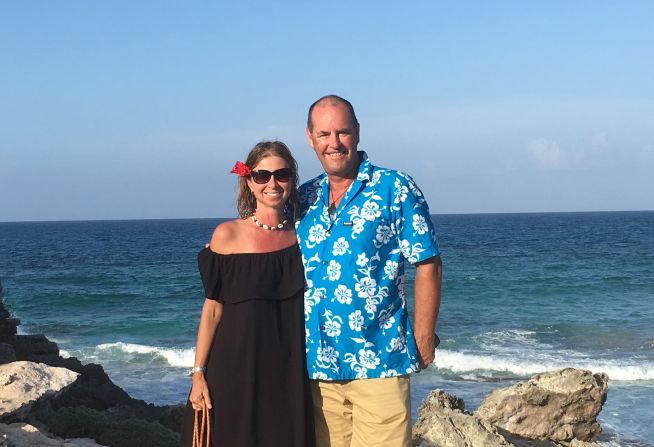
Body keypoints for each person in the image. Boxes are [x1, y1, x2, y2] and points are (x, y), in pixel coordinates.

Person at [296, 95, 443, 447]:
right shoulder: (304, 198)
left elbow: (428, 263)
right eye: (324, 134)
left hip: (380, 362)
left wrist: (423, 338)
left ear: (358, 133)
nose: (334, 143)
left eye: (343, 132)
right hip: (317, 369)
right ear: (310, 137)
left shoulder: (394, 188)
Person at [180, 141, 315, 447]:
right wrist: (198, 375)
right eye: (262, 175)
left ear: (292, 180)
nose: (272, 183)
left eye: (281, 175)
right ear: (249, 181)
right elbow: (213, 310)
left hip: (288, 372)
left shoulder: (306, 236)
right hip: (234, 369)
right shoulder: (226, 235)